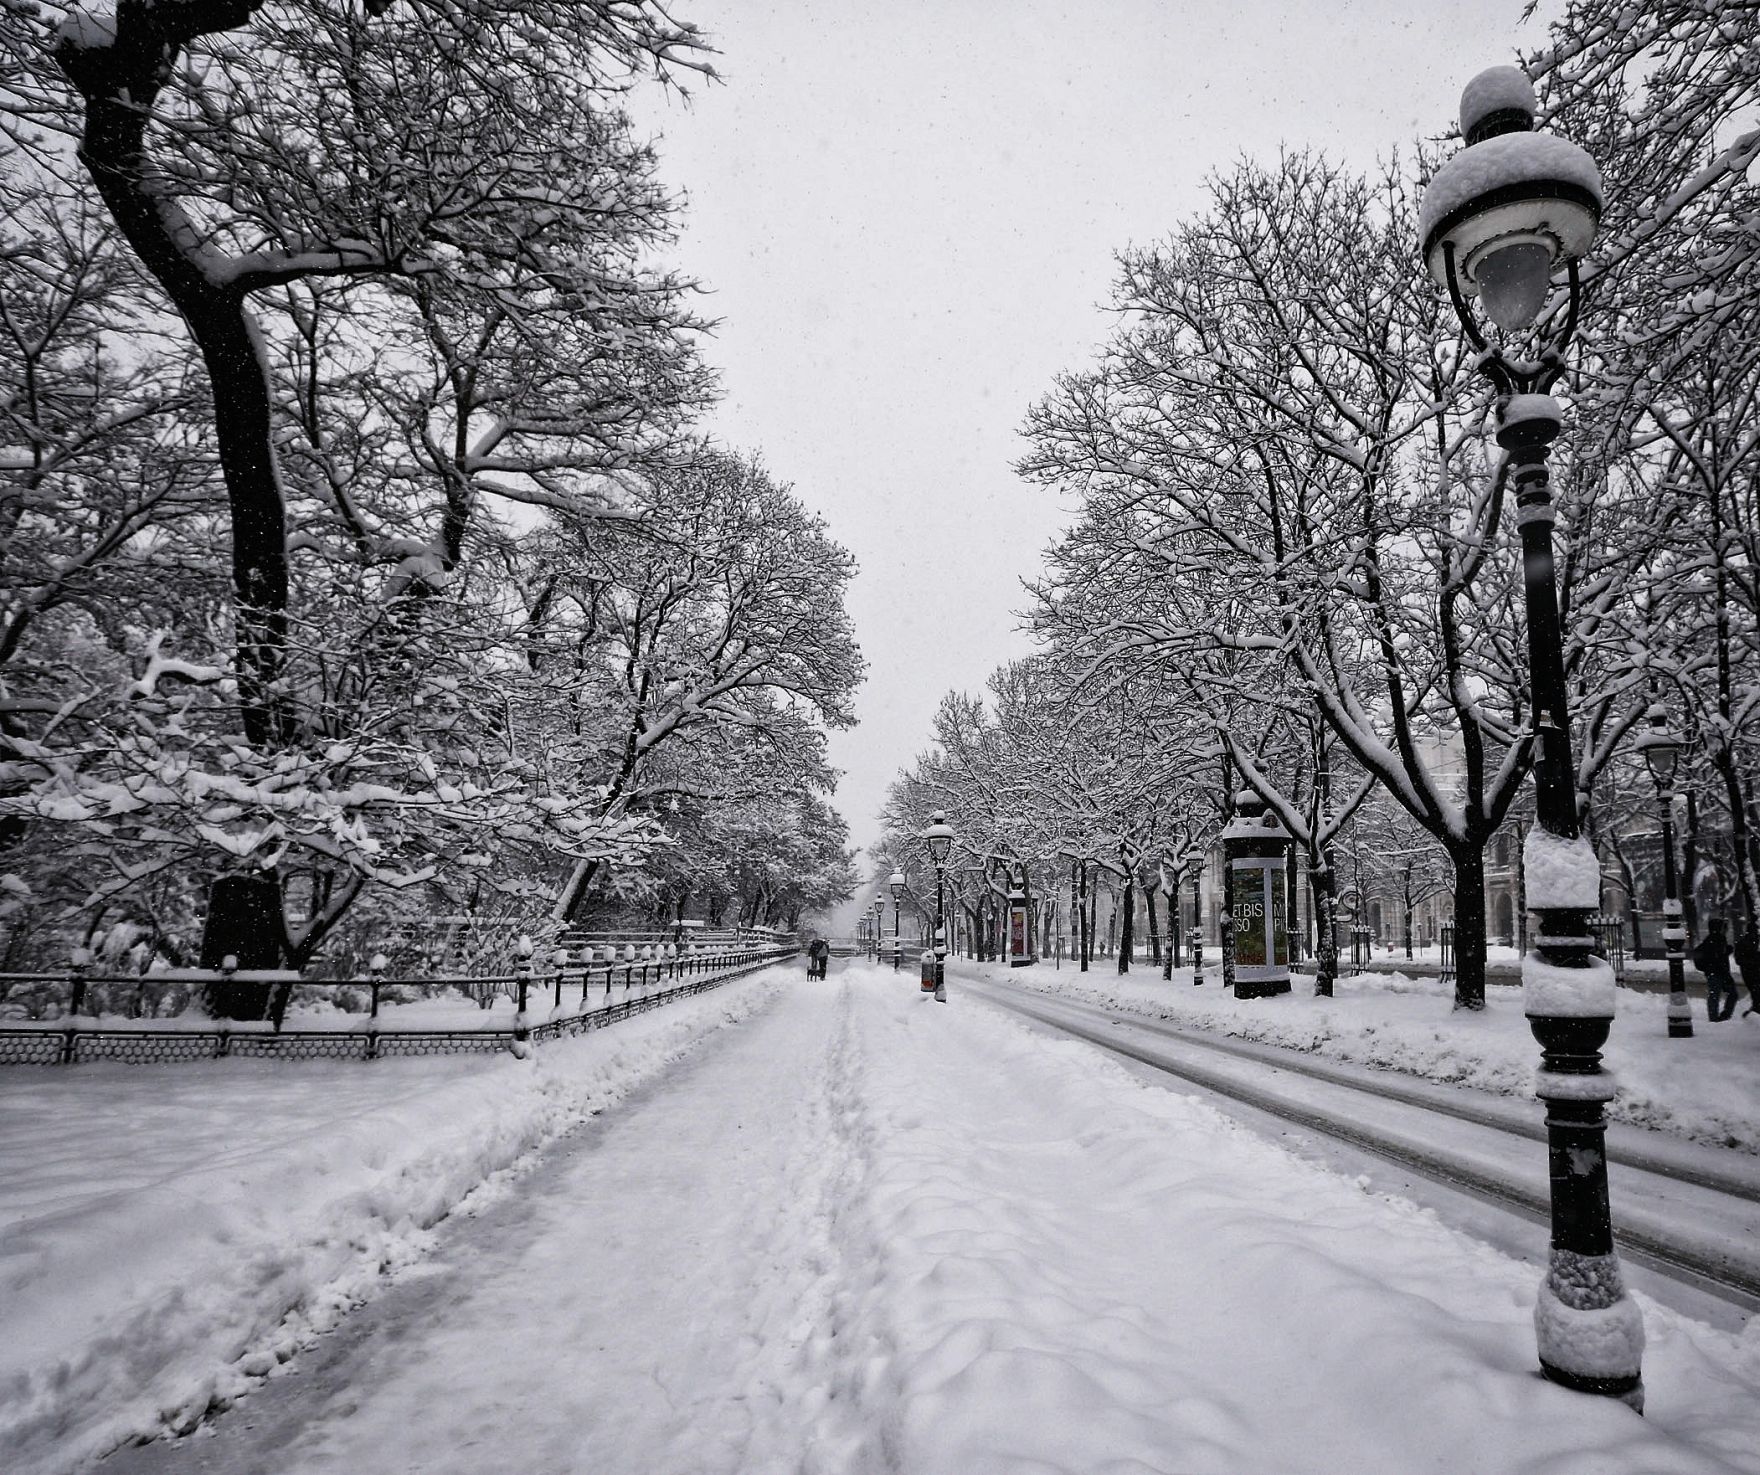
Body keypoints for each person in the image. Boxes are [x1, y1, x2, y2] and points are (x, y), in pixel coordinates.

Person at [1692, 917, 1738, 1022]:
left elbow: (1715, 956)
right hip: (1718, 972)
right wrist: (1727, 952)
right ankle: (1718, 1017)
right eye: (1723, 927)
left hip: (1714, 972)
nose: (1726, 930)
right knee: (1723, 994)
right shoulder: (1717, 940)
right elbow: (1718, 958)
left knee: (1715, 995)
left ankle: (1716, 1017)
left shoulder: (1711, 939)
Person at [1734, 922, 1760, 1019]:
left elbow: (1739, 959)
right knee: (1756, 993)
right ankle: (1755, 1012)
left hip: (1747, 972)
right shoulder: (1754, 942)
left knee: (1755, 993)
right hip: (1753, 971)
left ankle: (1755, 1011)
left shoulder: (1743, 942)